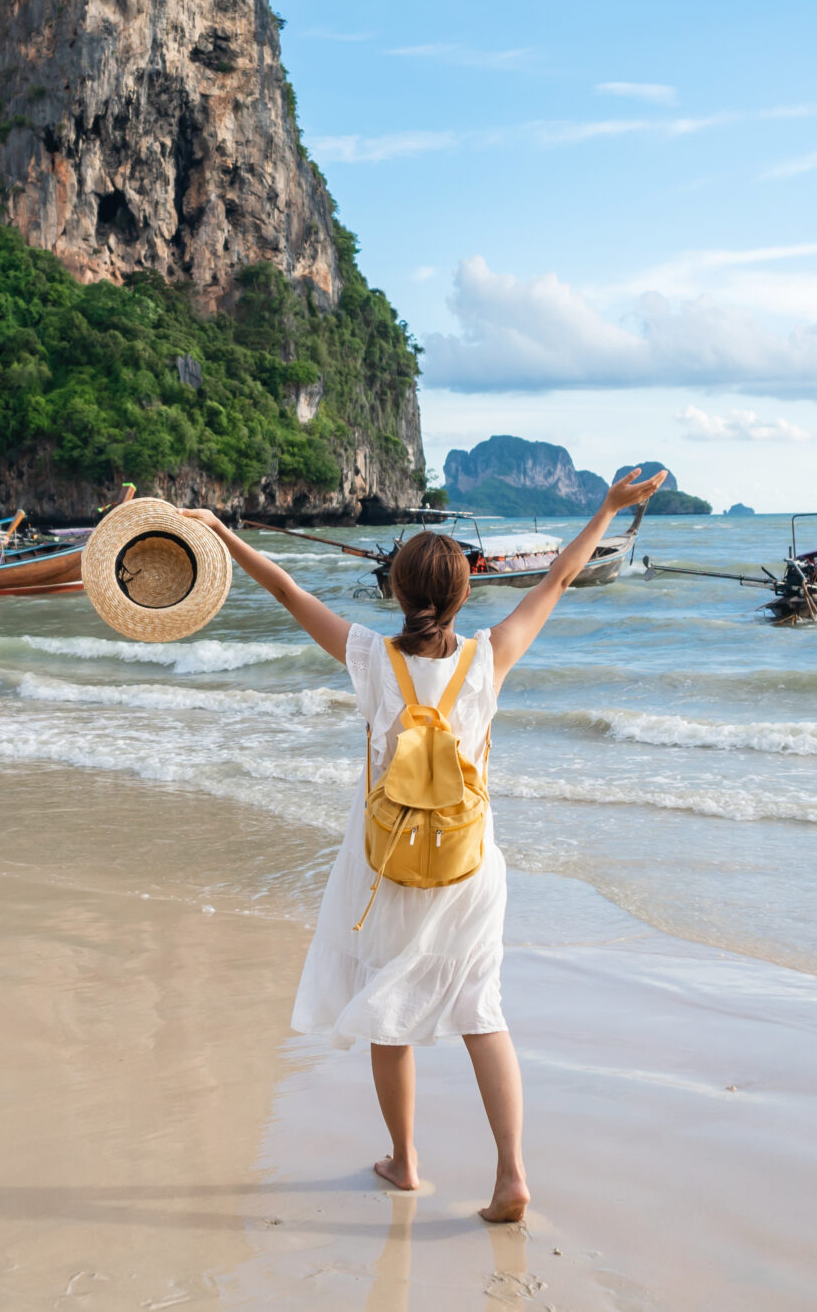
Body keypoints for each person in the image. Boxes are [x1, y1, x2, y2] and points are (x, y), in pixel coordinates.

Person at [179, 466, 669, 1223]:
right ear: (466, 590)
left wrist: (220, 532)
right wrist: (608, 506)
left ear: (396, 592)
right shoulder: (489, 656)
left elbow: (284, 592)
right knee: (482, 1009)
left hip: (385, 862)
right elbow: (562, 579)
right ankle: (510, 1173)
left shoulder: (371, 655)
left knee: (388, 1005)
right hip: (469, 866)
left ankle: (405, 1161)